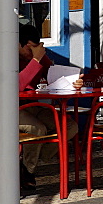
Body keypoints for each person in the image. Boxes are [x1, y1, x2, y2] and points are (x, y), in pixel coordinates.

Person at [18, 24, 79, 193]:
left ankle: (31, 161)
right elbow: (18, 85)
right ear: (18, 44)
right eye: (29, 49)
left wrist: (73, 81)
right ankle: (29, 171)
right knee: (37, 129)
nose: (32, 53)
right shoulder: (8, 58)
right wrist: (35, 60)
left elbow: (54, 76)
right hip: (12, 109)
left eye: (35, 49)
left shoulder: (36, 56)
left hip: (35, 106)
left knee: (70, 126)